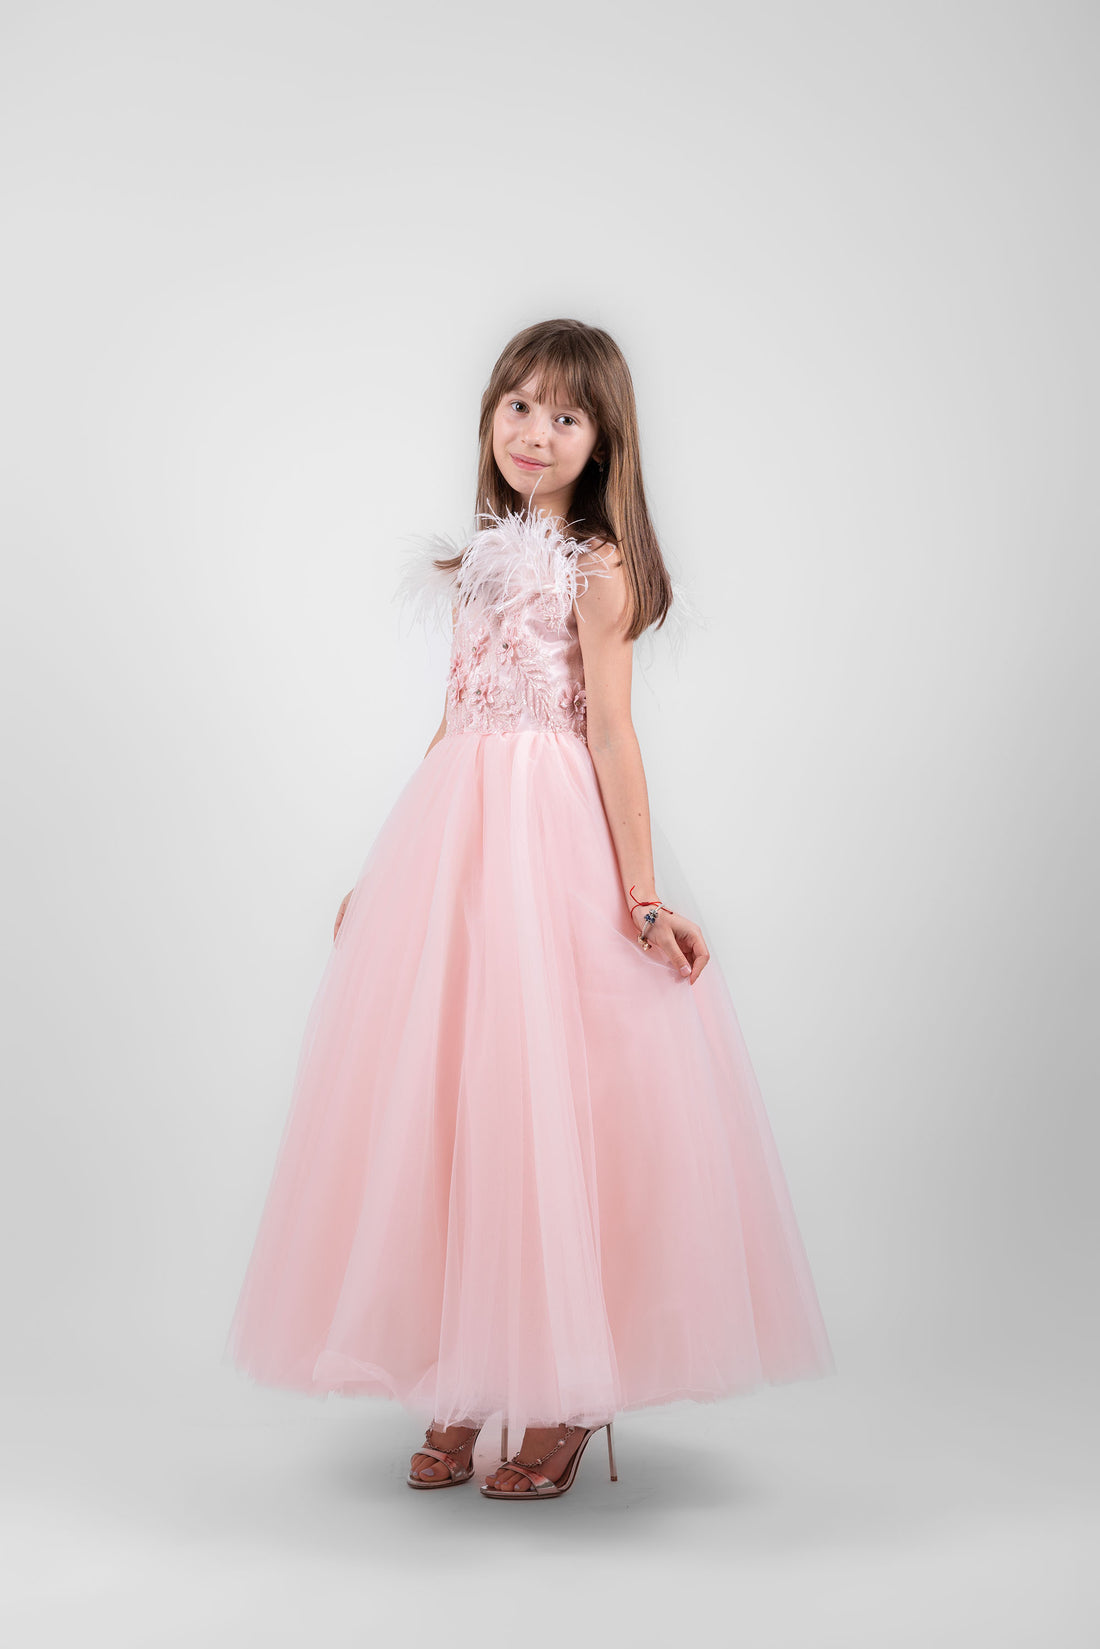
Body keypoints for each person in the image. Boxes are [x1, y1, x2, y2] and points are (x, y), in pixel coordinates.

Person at [224, 317, 834, 1501]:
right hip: (457, 839)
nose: (535, 432)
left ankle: (560, 1390)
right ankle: (468, 1365)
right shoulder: (479, 560)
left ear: (603, 442)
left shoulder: (594, 570)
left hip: (545, 838)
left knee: (547, 1096)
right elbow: (453, 716)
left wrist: (641, 895)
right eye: (518, 404)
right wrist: (387, 869)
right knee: (455, 1092)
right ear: (489, 415)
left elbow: (609, 732)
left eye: (565, 415)